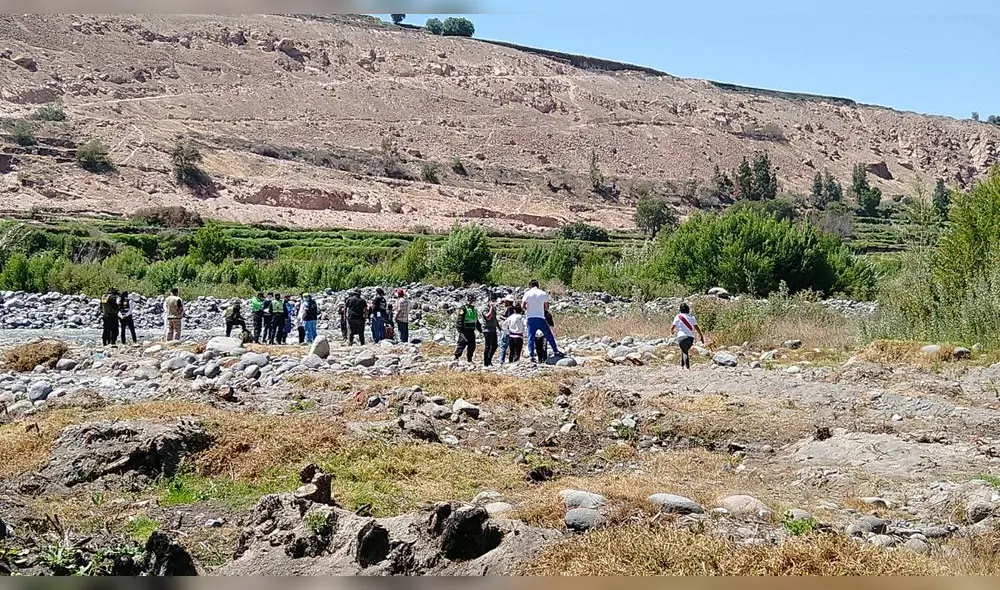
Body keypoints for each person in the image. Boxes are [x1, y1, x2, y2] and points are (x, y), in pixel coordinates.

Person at [521, 279, 562, 363]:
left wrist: (529, 308)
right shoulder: (543, 293)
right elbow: (546, 307)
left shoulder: (527, 293)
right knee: (548, 334)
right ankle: (555, 351)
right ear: (538, 285)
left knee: (530, 337)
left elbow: (523, 306)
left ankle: (532, 355)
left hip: (530, 317)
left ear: (530, 286)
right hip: (540, 317)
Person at [671, 302, 705, 370]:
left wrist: (672, 331)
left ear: (680, 310)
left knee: (684, 351)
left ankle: (687, 367)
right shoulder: (692, 317)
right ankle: (682, 366)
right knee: (684, 350)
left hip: (681, 337)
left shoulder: (678, 317)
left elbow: (672, 327)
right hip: (690, 338)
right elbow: (696, 327)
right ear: (688, 309)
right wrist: (701, 336)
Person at [454, 293, 482, 363]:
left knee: (472, 345)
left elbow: (476, 321)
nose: (471, 301)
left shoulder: (474, 310)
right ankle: (456, 357)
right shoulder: (463, 308)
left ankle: (469, 359)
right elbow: (459, 319)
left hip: (471, 331)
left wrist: (481, 330)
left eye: (472, 300)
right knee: (461, 344)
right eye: (470, 300)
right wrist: (459, 329)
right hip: (464, 330)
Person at [481, 293, 500, 366]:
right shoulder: (485, 308)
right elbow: (488, 317)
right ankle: (486, 362)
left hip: (493, 329)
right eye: (492, 300)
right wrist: (491, 308)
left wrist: (499, 327)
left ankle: (489, 359)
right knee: (488, 346)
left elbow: (494, 318)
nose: (494, 302)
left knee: (495, 345)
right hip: (487, 329)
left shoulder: (494, 308)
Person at [498, 298, 515, 364]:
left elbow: (508, 319)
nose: (504, 303)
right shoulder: (514, 309)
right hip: (513, 330)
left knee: (503, 345)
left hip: (507, 330)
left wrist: (501, 317)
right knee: (511, 346)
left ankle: (502, 360)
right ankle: (511, 359)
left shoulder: (509, 308)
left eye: (505, 302)